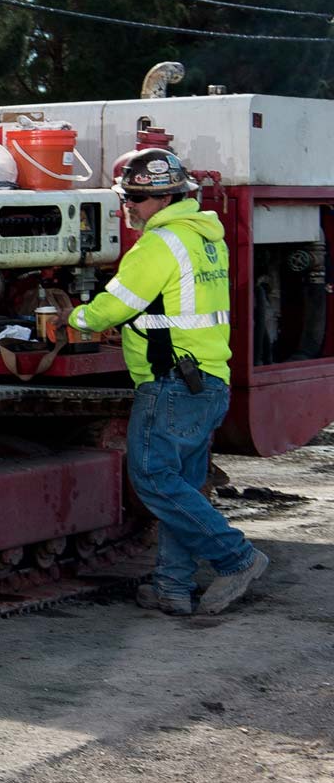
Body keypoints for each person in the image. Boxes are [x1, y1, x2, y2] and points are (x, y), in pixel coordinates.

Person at [63, 147, 267, 616]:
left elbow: (110, 309)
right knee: (182, 490)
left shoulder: (159, 244)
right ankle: (172, 587)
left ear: (163, 199)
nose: (128, 207)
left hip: (171, 383)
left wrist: (71, 317)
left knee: (152, 477)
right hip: (209, 381)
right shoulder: (205, 237)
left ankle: (237, 557)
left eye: (134, 198)